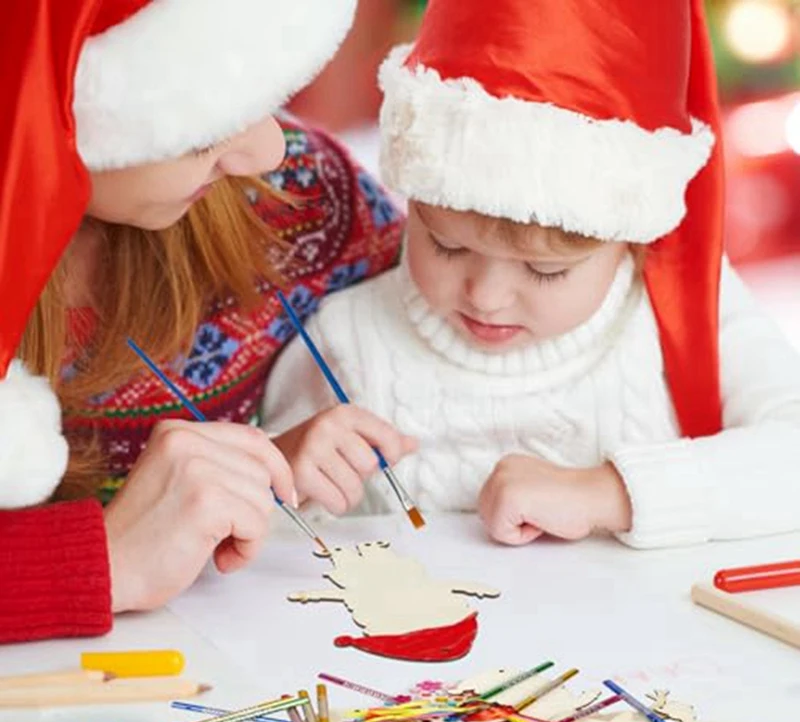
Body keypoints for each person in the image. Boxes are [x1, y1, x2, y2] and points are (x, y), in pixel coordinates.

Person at [264, 0, 800, 549]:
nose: (487, 298)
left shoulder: (689, 307)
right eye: (446, 246)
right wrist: (285, 479)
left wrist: (606, 494)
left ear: (632, 242)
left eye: (546, 271)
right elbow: (248, 540)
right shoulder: (350, 342)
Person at [0, 0, 404, 644]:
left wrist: (273, 459)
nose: (265, 151)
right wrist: (104, 558)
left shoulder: (301, 195)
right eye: (203, 132)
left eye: (265, 94)